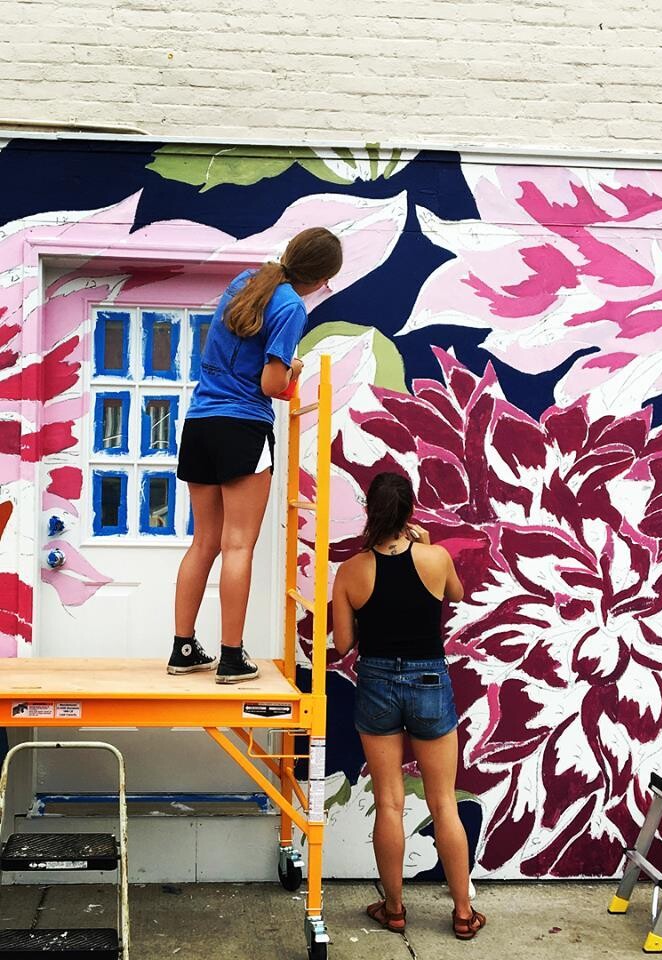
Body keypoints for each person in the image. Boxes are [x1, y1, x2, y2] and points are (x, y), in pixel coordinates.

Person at [168, 227, 342, 683]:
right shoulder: (291, 307)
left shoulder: (245, 281)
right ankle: (230, 656)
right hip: (243, 425)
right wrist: (295, 366)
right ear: (320, 277)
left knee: (203, 542)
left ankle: (183, 648)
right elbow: (270, 385)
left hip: (200, 420)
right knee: (238, 544)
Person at [332, 472, 486, 940]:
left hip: (377, 680)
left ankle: (394, 907)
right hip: (428, 680)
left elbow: (343, 645)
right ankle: (462, 913)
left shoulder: (352, 570)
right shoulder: (435, 558)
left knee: (389, 803)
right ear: (409, 511)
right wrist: (429, 544)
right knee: (443, 803)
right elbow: (457, 594)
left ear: (370, 511)